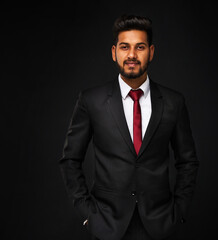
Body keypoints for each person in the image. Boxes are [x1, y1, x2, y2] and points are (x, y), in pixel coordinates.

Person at [59, 15, 199, 240]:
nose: (132, 55)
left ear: (151, 52)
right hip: (107, 225)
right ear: (114, 52)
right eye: (125, 47)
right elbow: (70, 160)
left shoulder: (174, 102)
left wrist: (179, 211)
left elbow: (188, 161)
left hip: (159, 225)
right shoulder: (91, 101)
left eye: (140, 47)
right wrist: (87, 214)